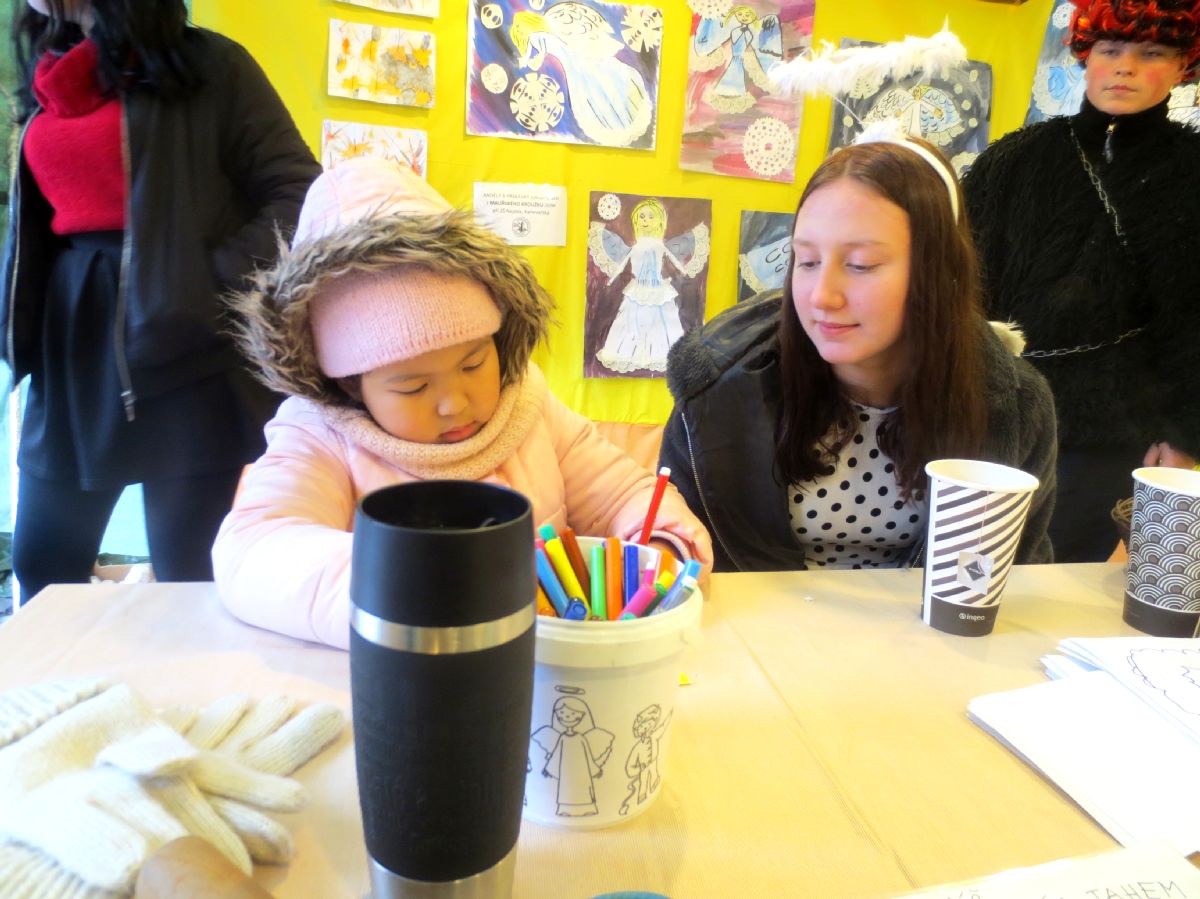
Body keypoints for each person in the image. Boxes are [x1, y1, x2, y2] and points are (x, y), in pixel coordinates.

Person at [212, 157, 712, 649]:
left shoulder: (529, 406)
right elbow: (256, 551)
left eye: (473, 364)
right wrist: (424, 587)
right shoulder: (319, 436)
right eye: (413, 387)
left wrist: (663, 548)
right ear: (350, 385)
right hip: (395, 681)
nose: (454, 403)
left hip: (544, 676)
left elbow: (624, 495)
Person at [2, 0, 321, 599]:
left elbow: (299, 191)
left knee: (189, 577)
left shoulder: (210, 66)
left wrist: (204, 287)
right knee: (42, 563)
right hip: (75, 349)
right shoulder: (51, 72)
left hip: (188, 350)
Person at [659, 136, 1058, 573]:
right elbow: (679, 563)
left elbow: (1015, 574)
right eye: (806, 261)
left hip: (925, 621)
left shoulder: (1012, 407)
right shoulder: (717, 391)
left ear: (938, 272)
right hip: (759, 617)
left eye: (860, 264)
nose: (822, 297)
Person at [962, 0, 1200, 562]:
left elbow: (1195, 322)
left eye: (1151, 54)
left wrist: (1185, 435)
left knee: (1059, 580)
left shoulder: (1192, 172)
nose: (1125, 67)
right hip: (996, 410)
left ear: (1183, 67)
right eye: (1110, 50)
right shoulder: (1015, 160)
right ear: (1086, 57)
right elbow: (961, 281)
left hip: (1112, 431)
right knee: (966, 565)